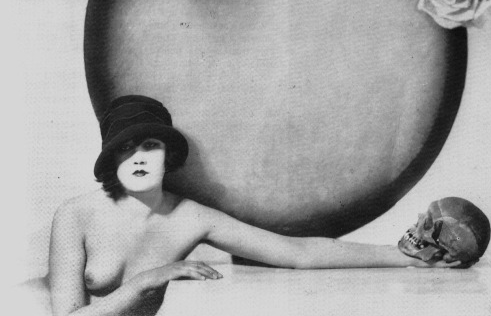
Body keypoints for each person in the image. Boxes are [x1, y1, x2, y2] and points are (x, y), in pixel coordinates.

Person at [48, 95, 460, 316]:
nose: (138, 158)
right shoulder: (75, 215)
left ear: (167, 156)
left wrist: (406, 257)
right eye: (125, 148)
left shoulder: (190, 216)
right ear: (111, 159)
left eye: (149, 145)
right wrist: (146, 281)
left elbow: (297, 253)